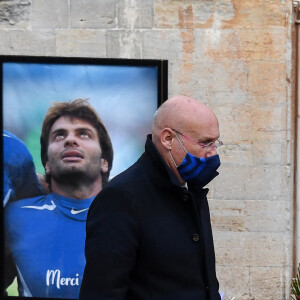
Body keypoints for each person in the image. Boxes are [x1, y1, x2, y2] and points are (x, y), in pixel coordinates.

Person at [80, 95, 222, 300]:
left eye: (215, 143)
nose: (213, 153)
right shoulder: (120, 198)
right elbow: (103, 291)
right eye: (205, 143)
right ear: (168, 139)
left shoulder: (190, 190)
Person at [4, 99, 113, 299]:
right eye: (59, 135)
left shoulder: (132, 217)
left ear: (104, 162)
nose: (70, 140)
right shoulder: (13, 216)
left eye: (83, 134)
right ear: (46, 164)